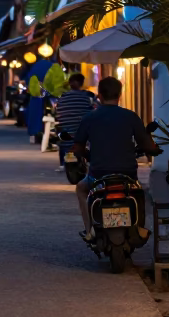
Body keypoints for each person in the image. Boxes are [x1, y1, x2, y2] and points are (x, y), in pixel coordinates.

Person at [72, 75, 159, 239]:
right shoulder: (131, 116)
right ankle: (140, 228)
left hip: (98, 174)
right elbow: (147, 146)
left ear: (99, 96)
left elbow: (78, 147)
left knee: (81, 188)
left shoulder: (89, 118)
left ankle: (90, 230)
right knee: (138, 193)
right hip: (127, 174)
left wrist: (87, 155)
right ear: (120, 96)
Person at [54, 72, 96, 167]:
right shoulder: (87, 96)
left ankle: (62, 164)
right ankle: (92, 162)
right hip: (83, 134)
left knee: (61, 140)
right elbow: (94, 110)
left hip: (67, 133)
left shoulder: (62, 97)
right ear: (82, 83)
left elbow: (58, 113)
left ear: (70, 83)